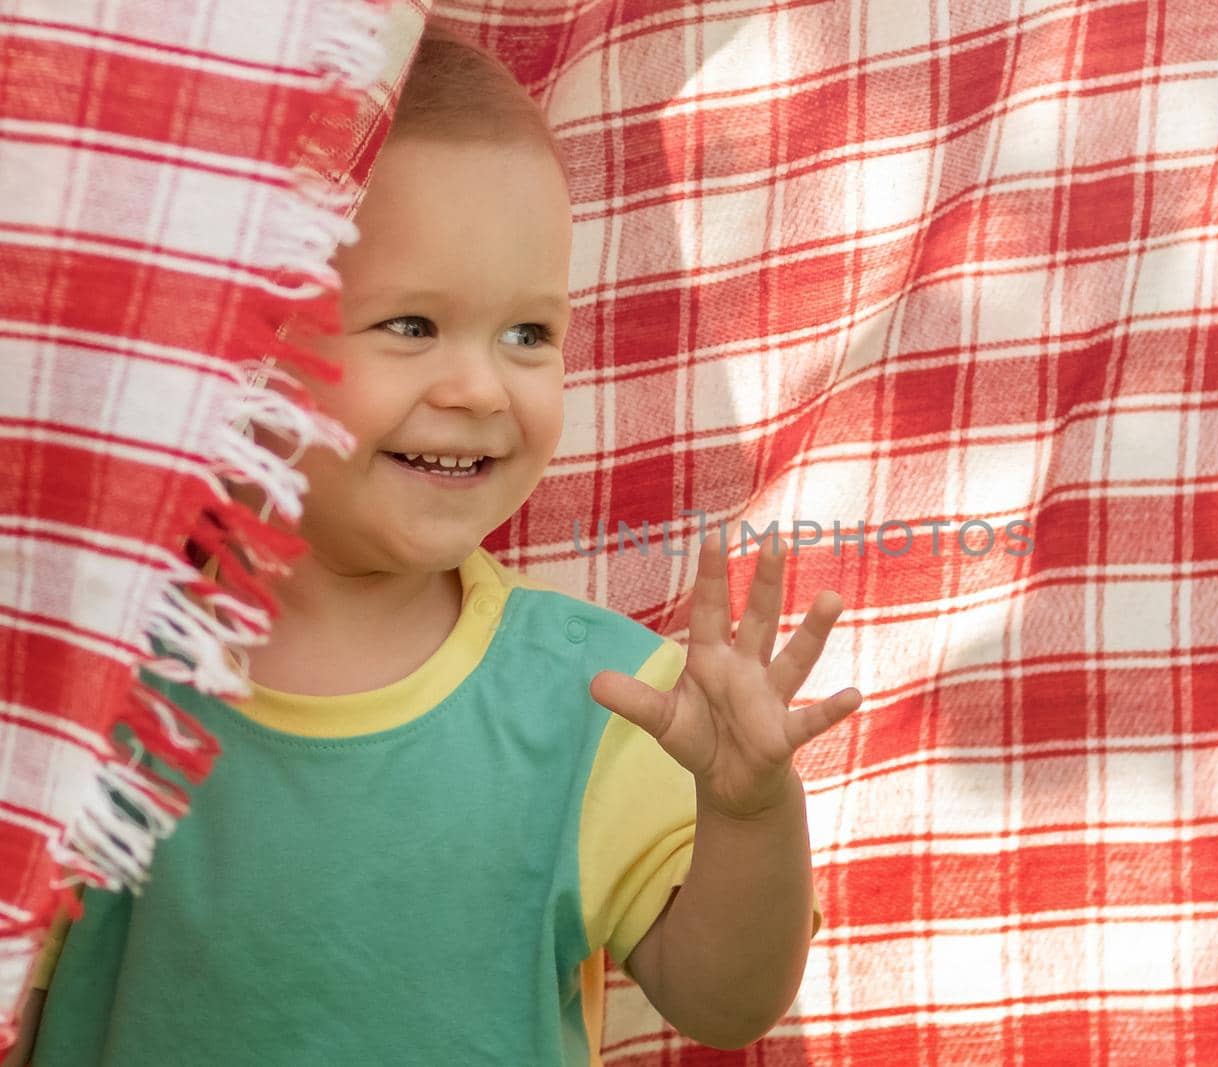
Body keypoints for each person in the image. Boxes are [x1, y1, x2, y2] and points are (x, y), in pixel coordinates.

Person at [5, 22, 859, 1066]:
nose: (480, 388)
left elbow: (727, 1003)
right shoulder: (91, 680)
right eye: (411, 325)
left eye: (529, 333)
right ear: (231, 347)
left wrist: (751, 811)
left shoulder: (603, 699)